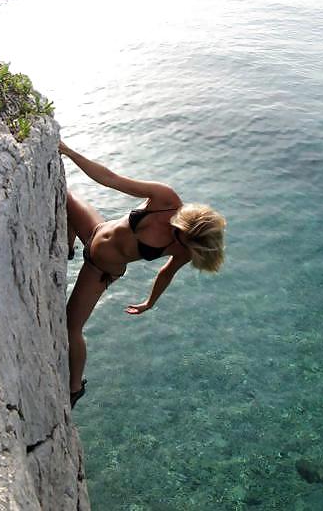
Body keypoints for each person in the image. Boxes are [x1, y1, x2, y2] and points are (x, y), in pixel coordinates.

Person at [58, 141, 226, 408]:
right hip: (95, 229)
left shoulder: (182, 249)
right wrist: (69, 151)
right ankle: (67, 247)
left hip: (99, 268)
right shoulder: (165, 198)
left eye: (183, 241)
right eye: (179, 232)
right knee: (62, 194)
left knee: (71, 327)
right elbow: (110, 179)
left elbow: (166, 273)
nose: (176, 238)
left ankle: (75, 387)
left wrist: (150, 302)